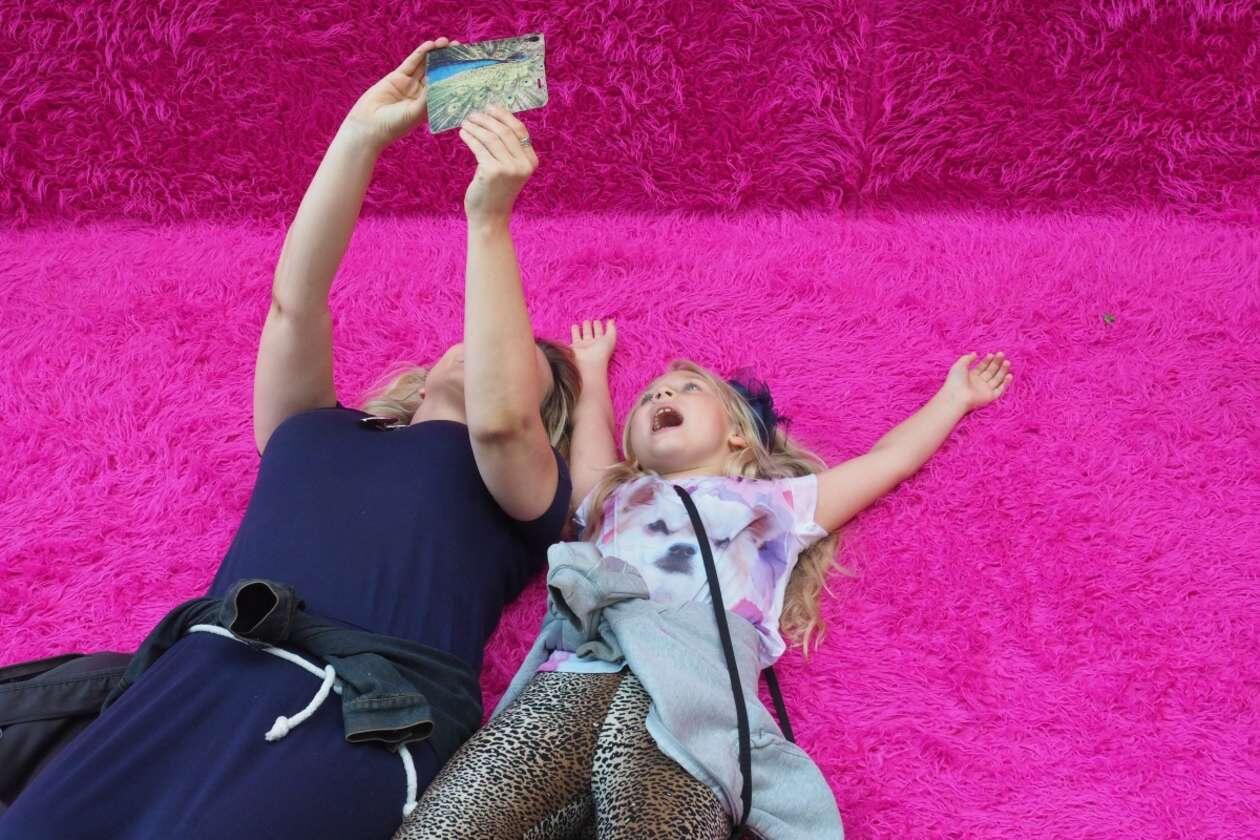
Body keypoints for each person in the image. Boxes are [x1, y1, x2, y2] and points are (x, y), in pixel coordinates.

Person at [0, 36, 580, 840]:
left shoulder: (522, 483)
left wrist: (488, 221)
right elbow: (293, 304)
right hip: (203, 664)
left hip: (365, 708)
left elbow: (500, 417)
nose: (492, 350)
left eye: (525, 356)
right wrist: (359, 136)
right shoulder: (311, 425)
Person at [395, 319, 1014, 838]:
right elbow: (591, 447)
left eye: (687, 388)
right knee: (450, 823)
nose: (661, 395)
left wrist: (953, 399)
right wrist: (591, 373)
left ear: (739, 433)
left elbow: (887, 460)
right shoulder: (614, 495)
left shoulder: (776, 506)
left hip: (692, 700)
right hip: (580, 675)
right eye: (647, 399)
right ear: (632, 451)